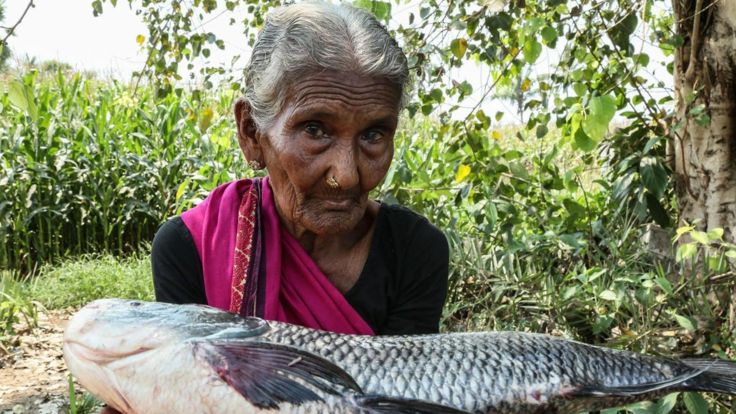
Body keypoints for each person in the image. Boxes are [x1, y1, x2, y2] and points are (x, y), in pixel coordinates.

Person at [151, 1, 449, 336]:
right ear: (251, 133)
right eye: (314, 131)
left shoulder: (414, 251)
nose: (346, 175)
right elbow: (189, 382)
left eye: (373, 135)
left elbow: (404, 382)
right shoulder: (190, 247)